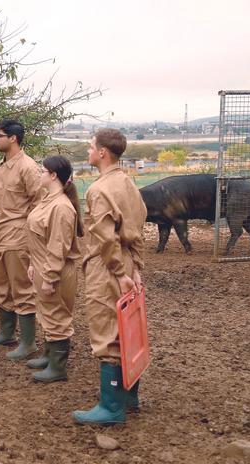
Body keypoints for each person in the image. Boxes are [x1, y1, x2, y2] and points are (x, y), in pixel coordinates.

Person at [73, 128, 147, 425]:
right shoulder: (129, 184)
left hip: (108, 267)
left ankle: (111, 407)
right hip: (128, 261)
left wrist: (117, 272)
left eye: (91, 146)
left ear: (102, 152)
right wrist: (136, 268)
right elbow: (139, 227)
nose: (88, 150)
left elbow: (105, 238)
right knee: (128, 329)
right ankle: (129, 397)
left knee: (107, 332)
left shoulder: (98, 190)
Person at [0, 119, 43, 362]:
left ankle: (28, 342)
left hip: (17, 237)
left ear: (13, 138)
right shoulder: (0, 166)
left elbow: (40, 203)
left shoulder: (28, 167)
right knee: (2, 286)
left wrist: (30, 234)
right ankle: (6, 332)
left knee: (22, 289)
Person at [23, 156, 83, 382]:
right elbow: (41, 239)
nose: (38, 174)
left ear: (53, 176)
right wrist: (32, 264)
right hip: (42, 266)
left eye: (42, 171)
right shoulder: (49, 200)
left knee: (57, 315)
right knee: (47, 312)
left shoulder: (61, 207)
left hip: (54, 271)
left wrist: (49, 276)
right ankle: (49, 356)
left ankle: (58, 368)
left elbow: (58, 246)